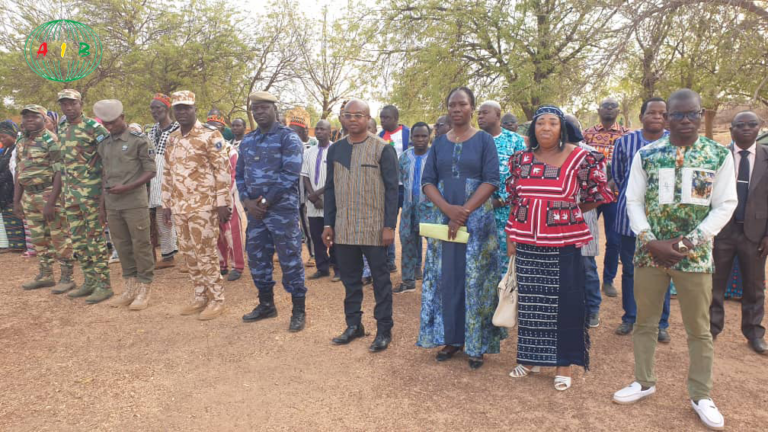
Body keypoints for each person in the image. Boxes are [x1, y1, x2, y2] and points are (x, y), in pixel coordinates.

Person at [613, 89, 736, 431]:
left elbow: (725, 204)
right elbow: (633, 201)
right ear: (667, 118)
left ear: (700, 115)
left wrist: (687, 243)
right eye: (677, 115)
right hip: (649, 253)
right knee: (645, 322)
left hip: (694, 257)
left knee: (699, 329)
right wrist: (650, 240)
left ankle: (701, 394)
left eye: (691, 114)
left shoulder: (717, 155)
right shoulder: (647, 154)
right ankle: (643, 381)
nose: (685, 120)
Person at [506, 105, 614, 390]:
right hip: (527, 240)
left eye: (552, 123)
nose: (546, 128)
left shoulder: (581, 158)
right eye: (540, 123)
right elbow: (516, 200)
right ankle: (530, 359)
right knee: (531, 302)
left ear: (562, 128)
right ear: (533, 129)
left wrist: (567, 211)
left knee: (564, 302)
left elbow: (597, 195)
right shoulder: (520, 159)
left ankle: (563, 364)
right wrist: (511, 236)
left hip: (563, 241)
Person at [417, 87, 504, 370]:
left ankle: (476, 343)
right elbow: (427, 181)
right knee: (447, 277)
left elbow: (491, 180)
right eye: (452, 104)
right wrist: (448, 210)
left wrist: (463, 212)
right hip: (444, 220)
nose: (456, 109)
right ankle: (451, 338)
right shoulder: (439, 143)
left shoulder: (484, 140)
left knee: (476, 280)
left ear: (471, 107)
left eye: (462, 104)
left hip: (477, 222)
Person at [323, 99, 398, 352]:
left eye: (358, 115)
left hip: (374, 227)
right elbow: (330, 189)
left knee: (380, 280)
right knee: (350, 280)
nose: (353, 119)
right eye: (348, 115)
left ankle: (384, 329)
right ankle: (354, 325)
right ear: (342, 118)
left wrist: (389, 226)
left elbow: (392, 190)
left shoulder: (382, 149)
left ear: (367, 118)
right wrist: (328, 224)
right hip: (344, 226)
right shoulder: (336, 149)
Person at [238, 91, 307, 332]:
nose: (259, 112)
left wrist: (264, 202)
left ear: (274, 110)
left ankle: (298, 310)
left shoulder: (288, 138)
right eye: (255, 109)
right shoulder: (248, 140)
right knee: (257, 258)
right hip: (255, 214)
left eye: (264, 108)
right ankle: (266, 305)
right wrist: (247, 201)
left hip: (281, 212)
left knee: (290, 260)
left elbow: (290, 174)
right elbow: (239, 174)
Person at [162, 90, 232, 321]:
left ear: (194, 109)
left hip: (204, 206)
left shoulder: (210, 136)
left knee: (206, 253)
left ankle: (217, 299)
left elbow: (222, 170)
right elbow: (168, 172)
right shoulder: (172, 138)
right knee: (188, 254)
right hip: (180, 206)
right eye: (178, 108)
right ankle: (200, 296)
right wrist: (166, 203)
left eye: (186, 108)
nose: (182, 112)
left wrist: (223, 203)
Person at [611, 97, 672, 342]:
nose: (657, 117)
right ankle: (630, 317)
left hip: (664, 221)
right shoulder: (624, 142)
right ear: (641, 116)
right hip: (629, 220)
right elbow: (618, 176)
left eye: (662, 113)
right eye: (652, 112)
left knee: (663, 271)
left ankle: (661, 323)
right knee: (630, 271)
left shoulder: (675, 142)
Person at [711, 111, 768, 355]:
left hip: (756, 234)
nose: (746, 128)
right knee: (714, 284)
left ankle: (754, 333)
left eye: (751, 124)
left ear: (759, 128)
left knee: (754, 287)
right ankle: (711, 329)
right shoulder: (718, 156)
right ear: (731, 129)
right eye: (740, 125)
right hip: (722, 231)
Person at [93, 100, 156, 310]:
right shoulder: (104, 144)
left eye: (113, 122)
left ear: (123, 117)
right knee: (121, 246)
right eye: (106, 124)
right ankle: (130, 287)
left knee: (141, 245)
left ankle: (144, 287)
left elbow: (151, 171)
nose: (110, 127)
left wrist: (127, 187)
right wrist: (102, 206)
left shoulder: (139, 141)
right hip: (113, 204)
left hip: (134, 202)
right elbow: (105, 176)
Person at [57, 89, 113, 303]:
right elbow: (63, 163)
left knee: (95, 240)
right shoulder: (62, 127)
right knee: (79, 242)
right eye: (64, 104)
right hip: (71, 194)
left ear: (81, 104)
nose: (68, 107)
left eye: (72, 103)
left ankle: (104, 285)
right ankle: (89, 281)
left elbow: (107, 159)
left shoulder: (94, 128)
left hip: (91, 193)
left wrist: (104, 198)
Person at [11, 106, 75, 292]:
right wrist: (16, 200)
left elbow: (60, 172)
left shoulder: (51, 140)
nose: (29, 120)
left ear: (44, 119)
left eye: (34, 116)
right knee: (38, 238)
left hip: (48, 193)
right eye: (26, 117)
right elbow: (19, 171)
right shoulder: (21, 140)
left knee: (59, 237)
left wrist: (51, 201)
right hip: (29, 196)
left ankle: (67, 277)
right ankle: (46, 275)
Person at [583, 97, 629, 298]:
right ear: (598, 110)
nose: (609, 109)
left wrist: (610, 184)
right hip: (591, 196)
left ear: (618, 111)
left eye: (613, 107)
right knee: (586, 237)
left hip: (615, 196)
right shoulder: (588, 134)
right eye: (605, 106)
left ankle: (608, 280)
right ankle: (587, 277)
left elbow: (627, 164)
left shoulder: (626, 134)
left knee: (614, 240)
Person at [477, 100, 526, 275]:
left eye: (484, 113)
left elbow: (522, 177)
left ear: (497, 115)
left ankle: (504, 293)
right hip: (477, 211)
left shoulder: (515, 141)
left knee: (506, 262)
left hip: (506, 213)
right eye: (478, 113)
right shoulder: (473, 140)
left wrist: (500, 200)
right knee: (481, 261)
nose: (480, 116)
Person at [564, 113, 602, 329]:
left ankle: (593, 308)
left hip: (584, 218)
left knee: (586, 265)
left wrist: (575, 208)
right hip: (557, 222)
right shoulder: (551, 154)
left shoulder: (591, 155)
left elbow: (598, 194)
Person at [394, 121, 430, 294]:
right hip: (408, 209)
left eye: (424, 136)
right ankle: (408, 281)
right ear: (411, 137)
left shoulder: (434, 157)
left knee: (433, 245)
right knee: (407, 242)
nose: (420, 139)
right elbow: (400, 181)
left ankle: (431, 281)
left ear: (429, 137)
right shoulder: (404, 157)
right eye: (417, 136)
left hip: (430, 210)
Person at [147, 93, 180, 270]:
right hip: (155, 179)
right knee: (162, 218)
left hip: (173, 177)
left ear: (167, 108)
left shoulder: (177, 129)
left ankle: (190, 257)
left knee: (179, 218)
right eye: (152, 108)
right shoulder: (152, 130)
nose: (154, 111)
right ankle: (168, 255)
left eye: (158, 108)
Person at [302, 120, 337, 280]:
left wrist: (318, 194)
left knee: (334, 236)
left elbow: (335, 178)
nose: (319, 131)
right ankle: (322, 268)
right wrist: (313, 196)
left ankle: (338, 268)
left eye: (323, 129)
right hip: (313, 203)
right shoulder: (308, 152)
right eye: (317, 129)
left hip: (331, 201)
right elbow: (305, 176)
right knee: (316, 236)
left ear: (330, 132)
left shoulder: (335, 150)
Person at [379, 105, 410, 273]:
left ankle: (411, 264)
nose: (383, 121)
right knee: (388, 223)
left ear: (396, 118)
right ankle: (389, 260)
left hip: (406, 188)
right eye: (381, 118)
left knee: (409, 225)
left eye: (387, 118)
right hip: (388, 188)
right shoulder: (379, 136)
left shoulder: (408, 134)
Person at [217, 117, 247, 281]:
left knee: (232, 233)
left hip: (228, 199)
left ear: (222, 130)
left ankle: (238, 266)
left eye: (216, 128)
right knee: (217, 233)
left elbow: (234, 177)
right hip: (209, 200)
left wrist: (224, 200)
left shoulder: (230, 151)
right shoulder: (204, 149)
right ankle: (221, 264)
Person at [286, 107, 316, 268]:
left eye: (295, 132)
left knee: (308, 225)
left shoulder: (313, 144)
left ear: (303, 131)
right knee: (292, 226)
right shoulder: (286, 146)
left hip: (308, 192)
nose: (292, 135)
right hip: (291, 192)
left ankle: (314, 255)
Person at [0, 120, 25, 253]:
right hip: (5, 190)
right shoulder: (5, 150)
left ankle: (19, 244)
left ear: (13, 135)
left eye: (4, 136)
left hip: (12, 189)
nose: (2, 140)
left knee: (14, 216)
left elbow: (13, 172)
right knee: (7, 218)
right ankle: (13, 244)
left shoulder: (16, 149)